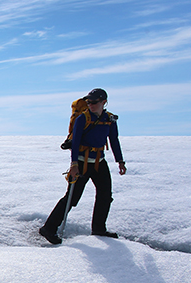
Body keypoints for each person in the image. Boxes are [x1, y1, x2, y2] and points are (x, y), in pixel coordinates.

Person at [39, 88, 127, 245]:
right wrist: (73, 164)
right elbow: (76, 142)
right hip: (81, 163)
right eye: (88, 102)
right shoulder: (82, 118)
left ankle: (99, 228)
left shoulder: (110, 119)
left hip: (99, 163)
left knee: (105, 196)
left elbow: (114, 140)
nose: (90, 105)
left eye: (94, 102)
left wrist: (120, 161)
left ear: (104, 102)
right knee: (72, 197)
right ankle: (49, 228)